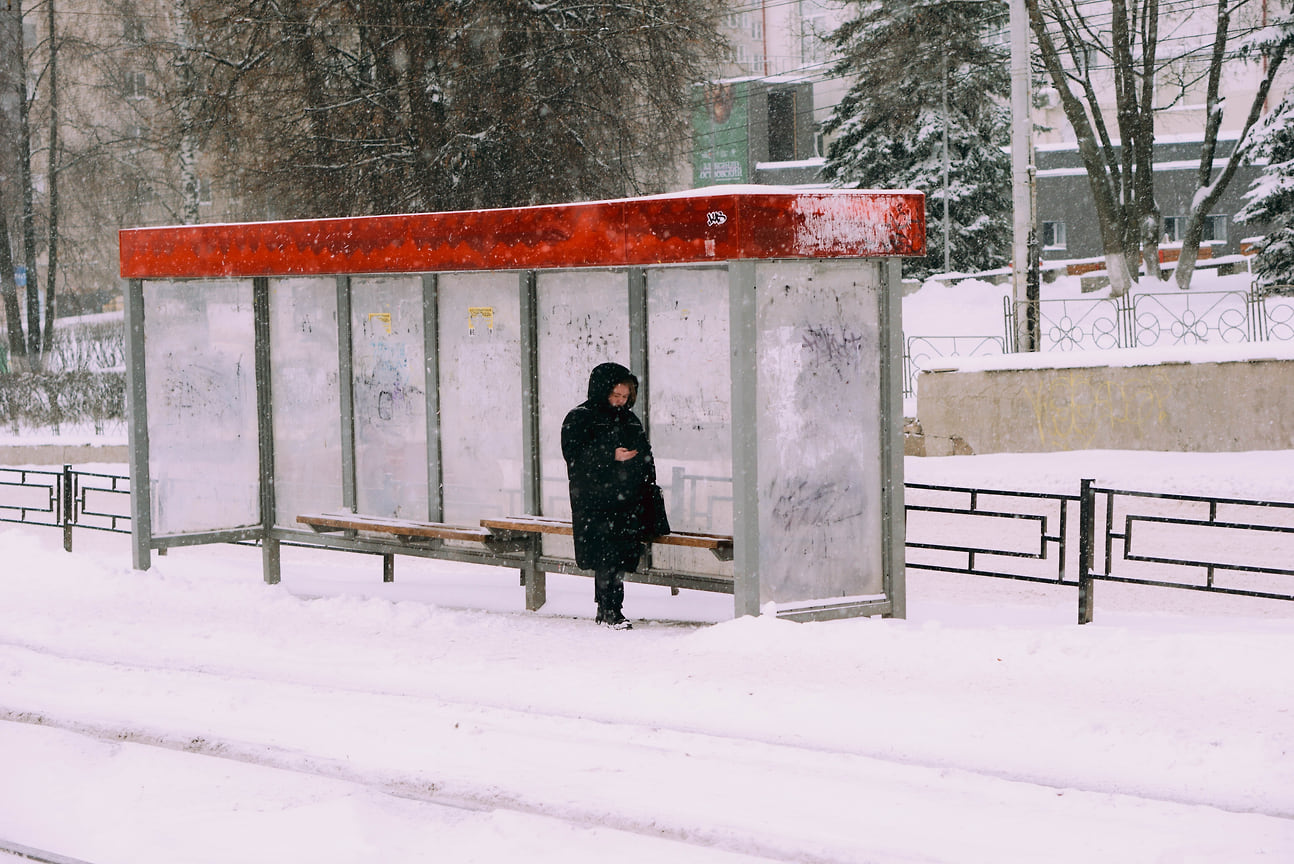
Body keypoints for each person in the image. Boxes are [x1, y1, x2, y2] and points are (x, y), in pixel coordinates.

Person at [561, 362, 657, 630]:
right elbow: (574, 456)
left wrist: (645, 480)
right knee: (607, 554)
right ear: (602, 390)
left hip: (627, 501)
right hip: (596, 501)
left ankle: (608, 607)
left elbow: (645, 454)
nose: (620, 401)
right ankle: (610, 609)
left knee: (618, 555)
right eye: (616, 395)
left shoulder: (628, 419)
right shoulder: (580, 417)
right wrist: (610, 455)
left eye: (625, 397)